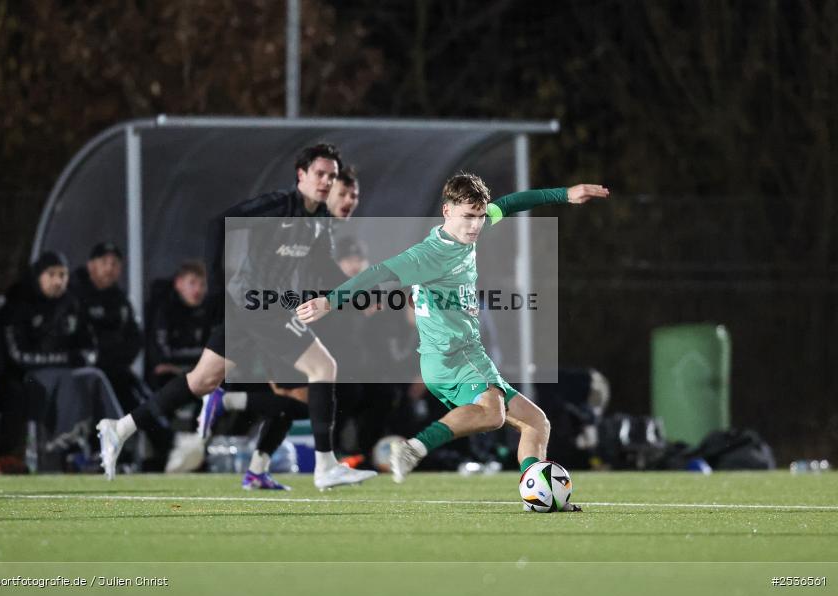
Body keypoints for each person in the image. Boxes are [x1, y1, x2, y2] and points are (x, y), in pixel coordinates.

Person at [297, 173, 609, 510]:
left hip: (466, 355)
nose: (475, 225)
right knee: (493, 414)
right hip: (451, 357)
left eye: (478, 216)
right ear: (447, 212)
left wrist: (565, 194)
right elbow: (377, 274)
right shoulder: (427, 255)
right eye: (467, 217)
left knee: (536, 422)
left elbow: (511, 203)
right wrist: (330, 301)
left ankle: (540, 499)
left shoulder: (470, 232)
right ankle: (414, 448)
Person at [97, 145, 377, 490]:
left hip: (261, 310)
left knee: (201, 381)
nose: (326, 181)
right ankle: (325, 466)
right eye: (321, 174)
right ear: (301, 175)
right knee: (322, 369)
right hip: (257, 306)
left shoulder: (319, 222)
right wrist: (216, 290)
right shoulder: (277, 205)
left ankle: (119, 428)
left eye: (331, 176)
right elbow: (219, 224)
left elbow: (323, 268)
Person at [0, 251, 123, 469]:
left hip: (66, 372)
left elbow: (90, 347)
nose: (58, 281)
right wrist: (64, 359)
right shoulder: (20, 304)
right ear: (38, 276)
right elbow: (17, 355)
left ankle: (112, 439)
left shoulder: (72, 303)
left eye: (62, 275)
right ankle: (66, 444)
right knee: (66, 378)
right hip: (28, 376)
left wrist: (83, 357)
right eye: (52, 274)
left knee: (95, 376)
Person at [70, 242, 146, 414]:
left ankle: (168, 438)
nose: (109, 268)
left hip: (115, 368)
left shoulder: (120, 299)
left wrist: (118, 358)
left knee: (136, 389)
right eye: (104, 262)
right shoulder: (75, 295)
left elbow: (135, 337)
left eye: (114, 264)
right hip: (85, 369)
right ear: (91, 265)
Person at [146, 260, 211, 390]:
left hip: (199, 373)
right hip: (171, 378)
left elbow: (216, 352)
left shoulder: (209, 312)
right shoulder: (164, 311)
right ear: (179, 284)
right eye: (192, 283)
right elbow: (162, 354)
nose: (198, 289)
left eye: (202, 284)